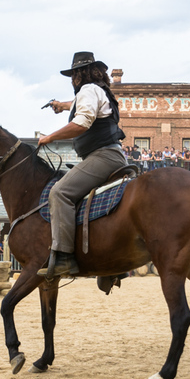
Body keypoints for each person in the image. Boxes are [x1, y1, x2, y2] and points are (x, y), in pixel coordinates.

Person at [37, 52, 127, 278]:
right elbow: (79, 105)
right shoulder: (98, 91)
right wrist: (62, 105)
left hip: (103, 156)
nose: (72, 79)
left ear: (80, 74)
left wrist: (51, 137)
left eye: (73, 74)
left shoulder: (88, 90)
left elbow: (82, 122)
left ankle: (64, 258)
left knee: (60, 193)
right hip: (110, 155)